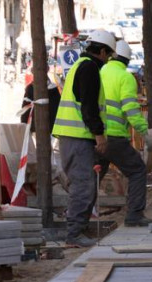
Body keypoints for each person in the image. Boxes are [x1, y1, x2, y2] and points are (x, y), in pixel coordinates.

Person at [52, 29, 117, 248]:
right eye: (108, 55)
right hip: (78, 137)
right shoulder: (89, 68)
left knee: (87, 184)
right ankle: (74, 234)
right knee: (84, 185)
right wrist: (99, 135)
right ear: (101, 51)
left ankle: (79, 230)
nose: (108, 60)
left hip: (76, 137)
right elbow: (89, 107)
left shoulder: (82, 66)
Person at [98, 40, 152, 227]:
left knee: (94, 175)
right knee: (137, 170)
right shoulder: (125, 77)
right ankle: (135, 215)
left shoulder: (100, 71)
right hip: (114, 137)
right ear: (127, 60)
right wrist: (145, 131)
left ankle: (81, 218)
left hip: (96, 135)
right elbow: (130, 109)